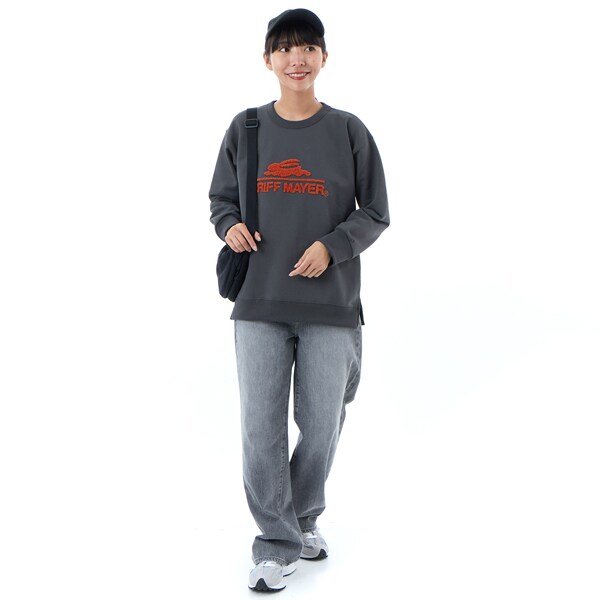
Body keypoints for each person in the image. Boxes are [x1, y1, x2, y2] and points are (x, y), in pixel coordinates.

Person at [208, 8, 390, 592]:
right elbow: (221, 200)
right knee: (260, 430)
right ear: (268, 59)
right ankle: (276, 543)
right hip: (259, 302)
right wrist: (230, 225)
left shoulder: (349, 131)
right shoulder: (246, 128)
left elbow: (376, 212)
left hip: (331, 305)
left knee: (321, 424)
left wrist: (332, 247)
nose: (297, 59)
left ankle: (303, 518)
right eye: (285, 48)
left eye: (308, 48)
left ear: (324, 57)